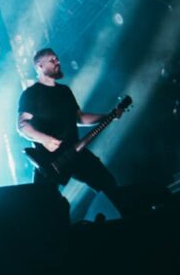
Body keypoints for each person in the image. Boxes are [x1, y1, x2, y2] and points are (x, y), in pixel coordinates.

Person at [17, 48, 122, 200]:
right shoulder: (32, 94)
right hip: (50, 160)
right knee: (43, 202)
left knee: (108, 184)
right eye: (52, 60)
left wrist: (109, 116)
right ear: (39, 66)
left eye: (57, 59)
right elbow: (22, 125)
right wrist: (44, 140)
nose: (58, 62)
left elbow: (80, 118)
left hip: (75, 151)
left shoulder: (64, 91)